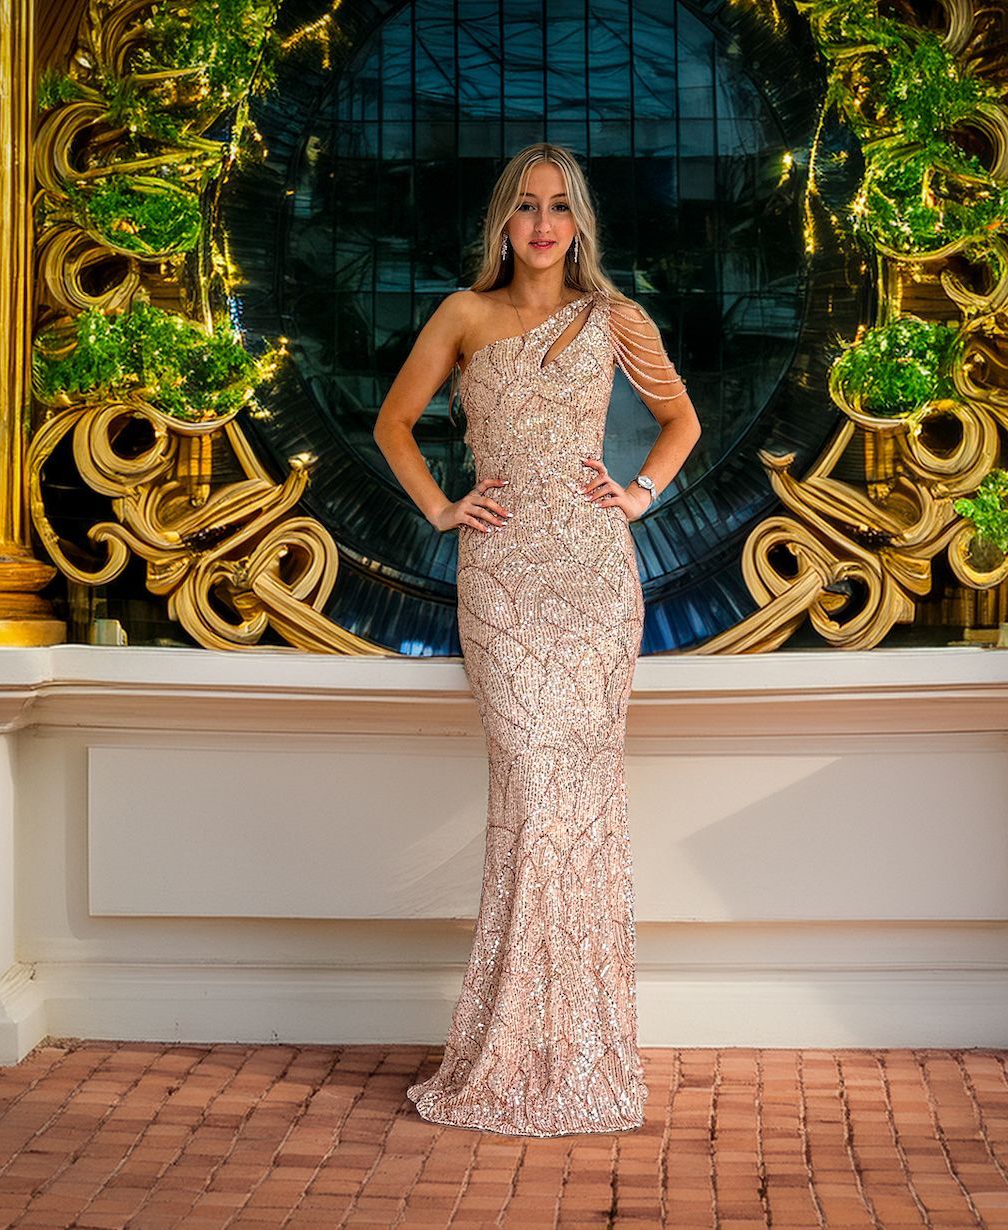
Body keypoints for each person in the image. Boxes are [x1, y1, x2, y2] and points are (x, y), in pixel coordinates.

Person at [373, 143, 701, 1136]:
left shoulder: (615, 317)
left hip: (595, 583)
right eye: (526, 207)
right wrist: (441, 508)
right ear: (503, 223)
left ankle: (580, 1046)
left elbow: (678, 417)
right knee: (531, 795)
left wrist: (637, 495)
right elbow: (393, 424)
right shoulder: (463, 317)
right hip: (505, 581)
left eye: (559, 207)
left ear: (578, 222)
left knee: (579, 809)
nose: (543, 224)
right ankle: (508, 1045)